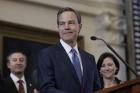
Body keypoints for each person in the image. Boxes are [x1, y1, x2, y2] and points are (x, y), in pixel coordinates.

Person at [38, 7, 101, 93]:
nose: (66, 27)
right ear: (58, 28)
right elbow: (47, 89)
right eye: (62, 24)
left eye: (71, 23)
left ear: (79, 27)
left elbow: (97, 89)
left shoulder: (89, 59)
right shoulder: (47, 55)